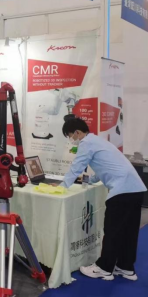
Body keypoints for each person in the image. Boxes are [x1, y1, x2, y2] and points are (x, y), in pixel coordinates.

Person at [58, 118, 147, 281]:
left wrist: (62, 187)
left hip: (122, 191)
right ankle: (126, 268)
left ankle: (104, 268)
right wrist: (90, 180)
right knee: (129, 232)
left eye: (70, 136)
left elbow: (76, 166)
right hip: (136, 189)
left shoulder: (86, 143)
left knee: (113, 230)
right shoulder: (98, 141)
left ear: (77, 132)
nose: (71, 140)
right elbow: (106, 167)